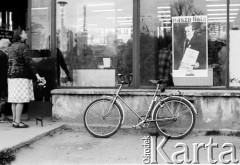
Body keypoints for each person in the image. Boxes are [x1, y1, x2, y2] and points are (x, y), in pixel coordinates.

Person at [7, 28, 46, 128]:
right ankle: (18, 122)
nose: (26, 34)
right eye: (24, 33)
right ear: (20, 35)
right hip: (21, 76)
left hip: (11, 76)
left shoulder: (11, 46)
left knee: (14, 99)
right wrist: (37, 75)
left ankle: (14, 121)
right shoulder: (24, 46)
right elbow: (29, 62)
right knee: (20, 99)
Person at [0, 39, 11, 122]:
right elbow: (4, 70)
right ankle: (2, 116)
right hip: (2, 80)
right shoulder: (3, 55)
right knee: (3, 98)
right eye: (9, 46)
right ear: (5, 46)